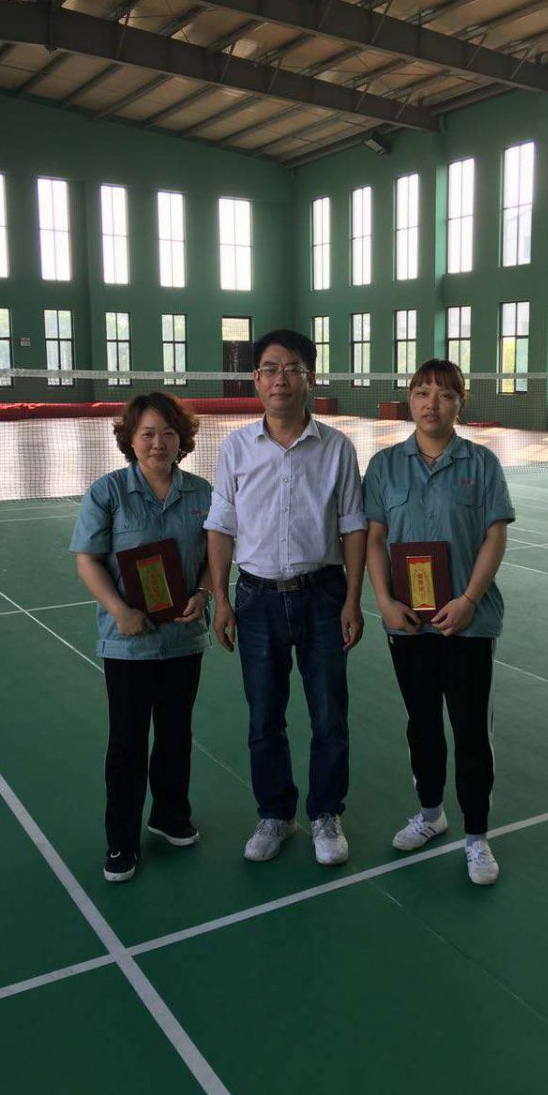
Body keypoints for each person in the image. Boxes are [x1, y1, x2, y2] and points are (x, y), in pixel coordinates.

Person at [205, 329, 367, 866]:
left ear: (309, 378)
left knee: (329, 716)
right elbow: (221, 525)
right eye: (270, 369)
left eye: (291, 368)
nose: (281, 378)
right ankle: (275, 814)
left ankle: (326, 814)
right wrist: (222, 599)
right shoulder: (235, 447)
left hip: (323, 596)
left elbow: (353, 528)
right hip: (256, 600)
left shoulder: (337, 448)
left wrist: (352, 600)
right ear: (256, 380)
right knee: (264, 718)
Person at [363, 360, 515, 886]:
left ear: (460, 404)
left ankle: (476, 836)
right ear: (410, 399)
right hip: (407, 624)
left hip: (467, 623)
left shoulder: (482, 463)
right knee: (422, 723)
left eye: (445, 395)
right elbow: (374, 538)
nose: (433, 403)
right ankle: (430, 814)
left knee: (471, 730)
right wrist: (383, 600)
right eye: (423, 392)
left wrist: (470, 599)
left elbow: (495, 534)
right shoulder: (384, 466)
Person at [70, 392, 213, 883]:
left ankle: (170, 815)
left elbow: (215, 558)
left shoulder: (202, 493)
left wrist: (203, 595)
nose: (158, 443)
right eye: (148, 433)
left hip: (183, 640)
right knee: (128, 742)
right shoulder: (107, 492)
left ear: (182, 439)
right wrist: (120, 611)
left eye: (168, 433)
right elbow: (87, 560)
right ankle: (121, 840)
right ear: (130, 439)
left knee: (176, 734)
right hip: (128, 643)